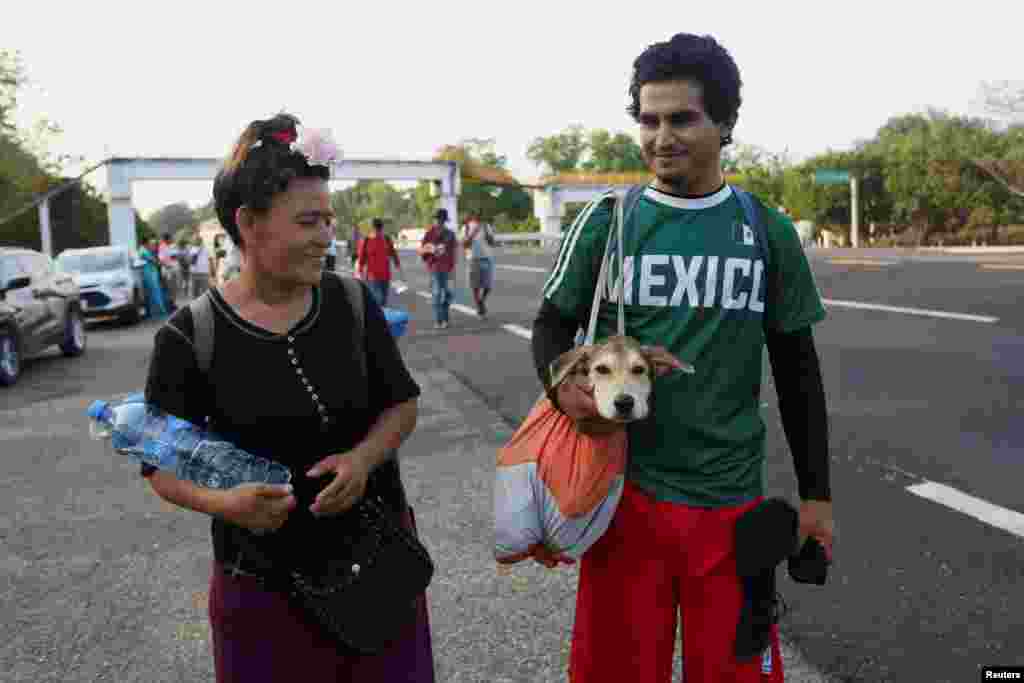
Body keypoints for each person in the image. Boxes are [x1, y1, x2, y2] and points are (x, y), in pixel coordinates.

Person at [529, 33, 833, 683]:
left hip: (729, 508)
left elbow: (797, 368)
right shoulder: (609, 220)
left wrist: (817, 496)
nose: (660, 136)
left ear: (724, 123)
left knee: (732, 673)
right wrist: (565, 391)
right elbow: (552, 323)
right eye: (648, 119)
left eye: (681, 119)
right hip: (623, 499)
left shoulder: (766, 230)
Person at [140, 113, 435, 682]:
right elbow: (160, 464)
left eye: (328, 219)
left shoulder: (352, 303)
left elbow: (402, 404)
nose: (326, 235)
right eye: (308, 221)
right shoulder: (186, 336)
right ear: (249, 224)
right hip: (262, 593)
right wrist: (227, 505)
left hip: (377, 567)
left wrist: (363, 459)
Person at [419, 208, 456, 329]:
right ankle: (439, 320)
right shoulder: (429, 233)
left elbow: (453, 251)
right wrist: (430, 250)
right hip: (434, 267)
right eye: (437, 219)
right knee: (437, 293)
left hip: (447, 268)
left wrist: (453, 267)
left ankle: (444, 316)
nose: (439, 221)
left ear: (444, 220)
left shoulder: (450, 234)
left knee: (449, 294)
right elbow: (422, 250)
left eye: (441, 219)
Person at [357, 217, 403, 308]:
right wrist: (399, 268)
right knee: (378, 301)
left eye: (379, 228)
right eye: (377, 228)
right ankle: (377, 319)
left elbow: (393, 253)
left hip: (383, 276)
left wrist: (360, 271)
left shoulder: (385, 239)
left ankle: (379, 319)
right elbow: (362, 258)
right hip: (373, 277)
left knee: (382, 301)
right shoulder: (367, 240)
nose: (378, 231)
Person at [459, 214, 496, 317]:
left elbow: (492, 242)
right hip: (472, 259)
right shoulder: (465, 227)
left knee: (488, 286)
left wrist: (489, 235)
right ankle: (479, 305)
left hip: (486, 259)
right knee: (475, 286)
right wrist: (472, 233)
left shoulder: (486, 226)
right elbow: (464, 244)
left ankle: (481, 301)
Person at [138, 239, 169, 318]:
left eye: (153, 245)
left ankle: (155, 312)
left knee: (154, 293)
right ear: (146, 244)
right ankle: (161, 312)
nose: (152, 246)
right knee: (155, 293)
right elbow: (152, 261)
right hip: (150, 275)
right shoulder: (143, 251)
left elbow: (154, 261)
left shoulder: (146, 251)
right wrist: (162, 264)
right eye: (150, 244)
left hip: (152, 274)